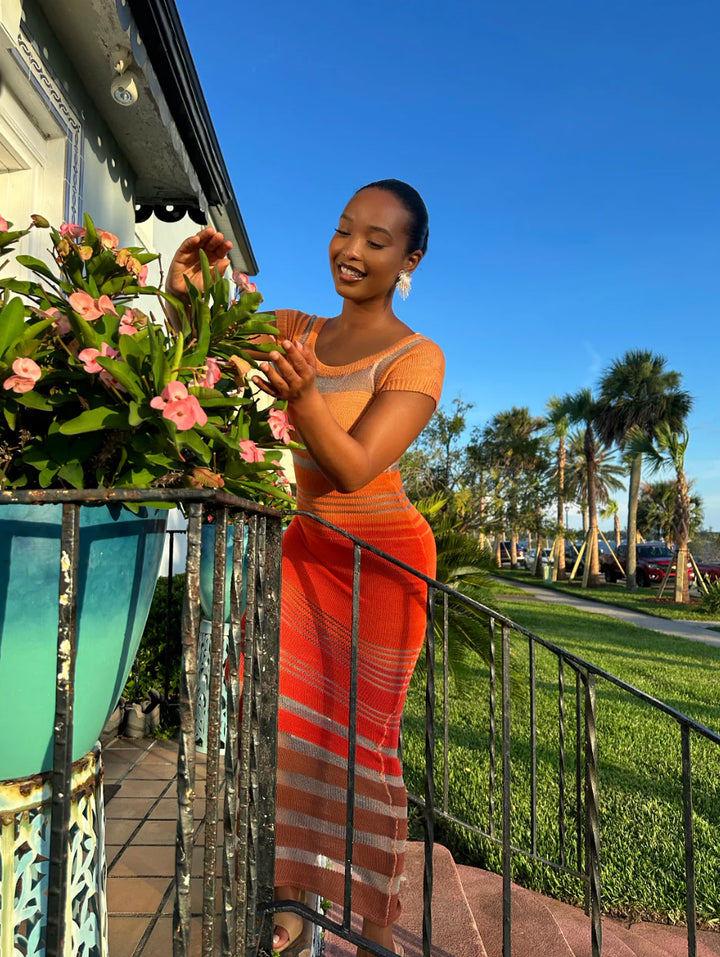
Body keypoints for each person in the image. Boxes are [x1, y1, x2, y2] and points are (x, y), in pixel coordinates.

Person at [167, 180, 444, 957]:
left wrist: (308, 396)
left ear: (409, 261)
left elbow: (353, 466)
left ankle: (378, 924)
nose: (351, 250)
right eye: (343, 230)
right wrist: (186, 301)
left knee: (366, 749)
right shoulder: (293, 329)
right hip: (305, 547)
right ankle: (291, 900)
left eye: (376, 241)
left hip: (382, 563)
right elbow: (207, 358)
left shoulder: (419, 357)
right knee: (284, 727)